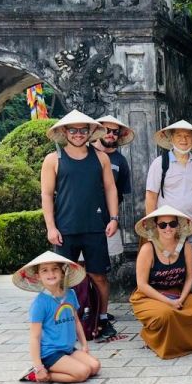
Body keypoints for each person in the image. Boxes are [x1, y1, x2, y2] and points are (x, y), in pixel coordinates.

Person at [41, 110, 120, 339]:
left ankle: (103, 319)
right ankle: (62, 322)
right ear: (65, 132)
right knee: (61, 279)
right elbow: (46, 195)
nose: (78, 134)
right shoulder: (53, 159)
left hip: (95, 226)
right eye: (73, 130)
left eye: (83, 130)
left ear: (89, 132)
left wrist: (113, 218)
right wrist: (51, 227)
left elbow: (110, 188)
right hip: (65, 228)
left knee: (99, 276)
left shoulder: (101, 157)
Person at [129, 206, 192, 358]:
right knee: (166, 314)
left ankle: (191, 342)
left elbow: (190, 277)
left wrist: (181, 299)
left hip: (177, 293)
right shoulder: (148, 249)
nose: (168, 228)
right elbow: (142, 285)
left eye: (172, 224)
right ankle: (152, 337)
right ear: (155, 227)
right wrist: (168, 302)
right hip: (149, 296)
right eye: (162, 225)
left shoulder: (186, 247)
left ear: (179, 226)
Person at [145, 120, 192, 298]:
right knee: (171, 262)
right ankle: (173, 297)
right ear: (171, 139)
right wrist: (151, 225)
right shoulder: (160, 164)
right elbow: (151, 196)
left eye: (187, 136)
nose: (183, 139)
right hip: (169, 225)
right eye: (179, 135)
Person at [13, 251, 101, 383]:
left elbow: (76, 321)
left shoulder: (70, 294)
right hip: (50, 353)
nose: (51, 274)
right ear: (38, 276)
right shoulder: (40, 303)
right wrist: (38, 366)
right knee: (82, 373)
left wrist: (84, 345)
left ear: (62, 272)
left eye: (55, 269)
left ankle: (65, 365)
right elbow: (34, 337)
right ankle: (37, 375)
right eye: (45, 270)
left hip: (68, 348)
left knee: (94, 367)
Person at [93, 115, 134, 292]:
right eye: (107, 130)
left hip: (108, 219)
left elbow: (120, 194)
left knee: (104, 268)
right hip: (83, 217)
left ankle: (100, 311)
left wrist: (114, 217)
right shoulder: (87, 154)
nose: (110, 135)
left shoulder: (120, 161)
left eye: (115, 132)